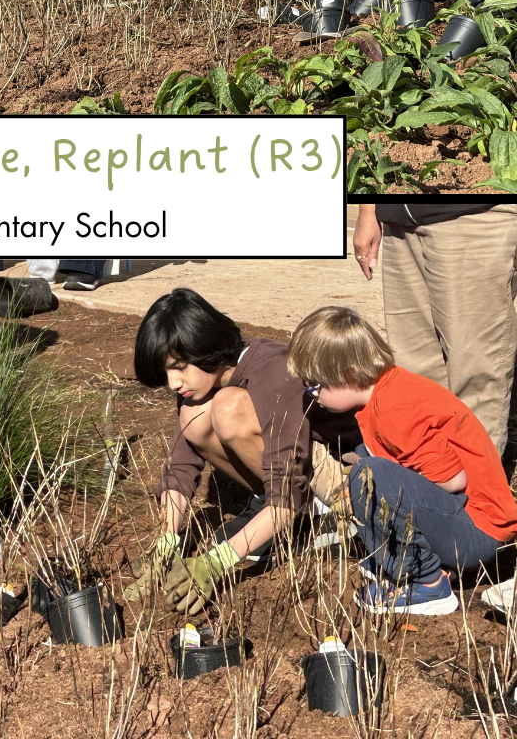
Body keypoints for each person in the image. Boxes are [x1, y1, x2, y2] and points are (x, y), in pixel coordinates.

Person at [124, 288, 359, 610]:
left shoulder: (274, 370)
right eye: (167, 371)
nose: (173, 383)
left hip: (339, 472)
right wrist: (165, 542)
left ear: (203, 347)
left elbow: (287, 490)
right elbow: (181, 467)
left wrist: (218, 561)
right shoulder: (203, 376)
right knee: (195, 415)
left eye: (178, 367)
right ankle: (279, 517)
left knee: (228, 406)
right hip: (290, 478)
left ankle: (326, 516)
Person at [288, 306, 517, 616]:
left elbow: (453, 481)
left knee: (370, 475)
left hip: (476, 533)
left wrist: (385, 478)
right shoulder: (389, 388)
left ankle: (427, 582)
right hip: (468, 521)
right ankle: (402, 557)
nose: (313, 394)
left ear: (349, 374)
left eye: (315, 384)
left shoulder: (393, 412)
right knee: (367, 457)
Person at [351, 204, 517, 454]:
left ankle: (477, 474)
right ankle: (432, 471)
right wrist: (368, 211)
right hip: (400, 219)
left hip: (476, 216)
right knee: (414, 370)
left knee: (475, 370)